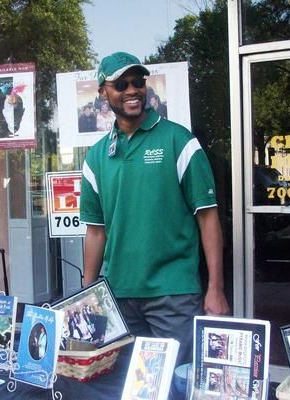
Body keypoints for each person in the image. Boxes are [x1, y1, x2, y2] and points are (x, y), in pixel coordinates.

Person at [80, 52, 229, 365]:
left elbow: (208, 217)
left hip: (172, 295)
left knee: (176, 381)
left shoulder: (180, 141)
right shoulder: (96, 156)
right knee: (126, 382)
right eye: (121, 84)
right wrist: (88, 294)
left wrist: (215, 288)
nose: (132, 90)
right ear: (103, 92)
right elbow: (95, 231)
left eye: (138, 82)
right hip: (119, 296)